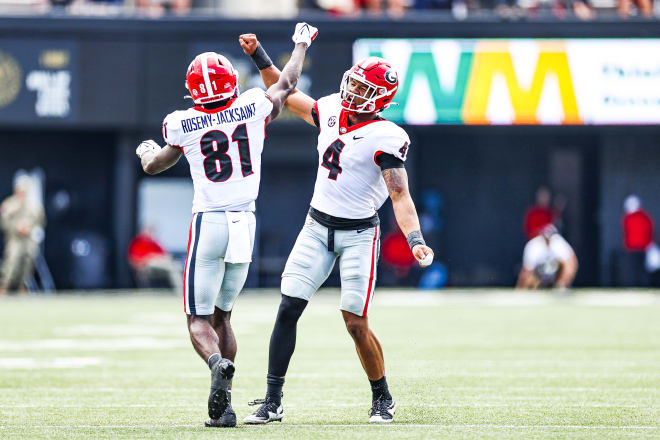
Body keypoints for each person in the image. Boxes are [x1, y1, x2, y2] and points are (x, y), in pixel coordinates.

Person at [239, 33, 434, 425]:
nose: (353, 89)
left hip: (360, 233)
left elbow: (400, 196)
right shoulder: (329, 108)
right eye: (354, 81)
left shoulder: (387, 135)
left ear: (380, 98)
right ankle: (273, 400)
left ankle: (383, 397)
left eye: (364, 88)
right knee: (288, 307)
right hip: (316, 226)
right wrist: (259, 55)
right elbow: (283, 90)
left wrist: (415, 239)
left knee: (355, 322)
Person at [135, 22, 316, 428]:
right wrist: (300, 44)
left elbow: (157, 163)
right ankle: (226, 406)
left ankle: (217, 363)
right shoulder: (253, 103)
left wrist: (146, 151)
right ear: (231, 81)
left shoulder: (180, 122)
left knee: (197, 320)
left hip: (209, 222)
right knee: (224, 317)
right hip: (245, 224)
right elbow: (287, 83)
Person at [0, 175, 45, 296]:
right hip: (14, 238)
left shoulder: (33, 206)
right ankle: (4, 286)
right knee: (12, 260)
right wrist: (16, 227)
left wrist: (29, 227)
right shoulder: (9, 204)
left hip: (28, 239)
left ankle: (22, 285)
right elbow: (4, 223)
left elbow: (40, 221)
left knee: (29, 257)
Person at [516, 224, 578, 289]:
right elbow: (527, 270)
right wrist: (521, 287)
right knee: (528, 279)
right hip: (538, 275)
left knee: (566, 266)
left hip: (555, 276)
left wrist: (563, 282)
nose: (548, 240)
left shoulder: (559, 243)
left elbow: (571, 263)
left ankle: (560, 287)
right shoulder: (534, 246)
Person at [127, 226, 182, 291]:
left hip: (161, 264)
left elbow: (164, 254)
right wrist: (150, 257)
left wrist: (159, 257)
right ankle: (181, 290)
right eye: (148, 230)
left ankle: (181, 289)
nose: (150, 233)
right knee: (171, 266)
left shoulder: (155, 243)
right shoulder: (138, 242)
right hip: (147, 265)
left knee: (175, 266)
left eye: (152, 231)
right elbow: (134, 259)